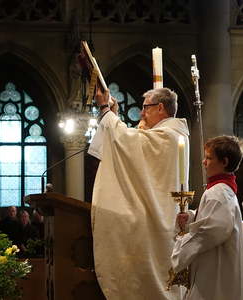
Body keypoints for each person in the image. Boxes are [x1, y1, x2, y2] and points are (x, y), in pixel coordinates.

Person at [88, 87, 190, 300]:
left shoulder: (169, 136)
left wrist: (106, 109)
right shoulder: (169, 134)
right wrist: (112, 116)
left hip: (157, 223)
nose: (142, 113)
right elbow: (131, 142)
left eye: (145, 108)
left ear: (160, 107)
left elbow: (128, 142)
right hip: (161, 218)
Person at [171, 135, 243, 300]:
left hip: (215, 269)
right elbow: (212, 221)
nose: (203, 162)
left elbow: (211, 231)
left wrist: (181, 249)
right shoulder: (221, 190)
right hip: (213, 264)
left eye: (209, 158)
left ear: (224, 162)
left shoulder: (219, 193)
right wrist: (191, 217)